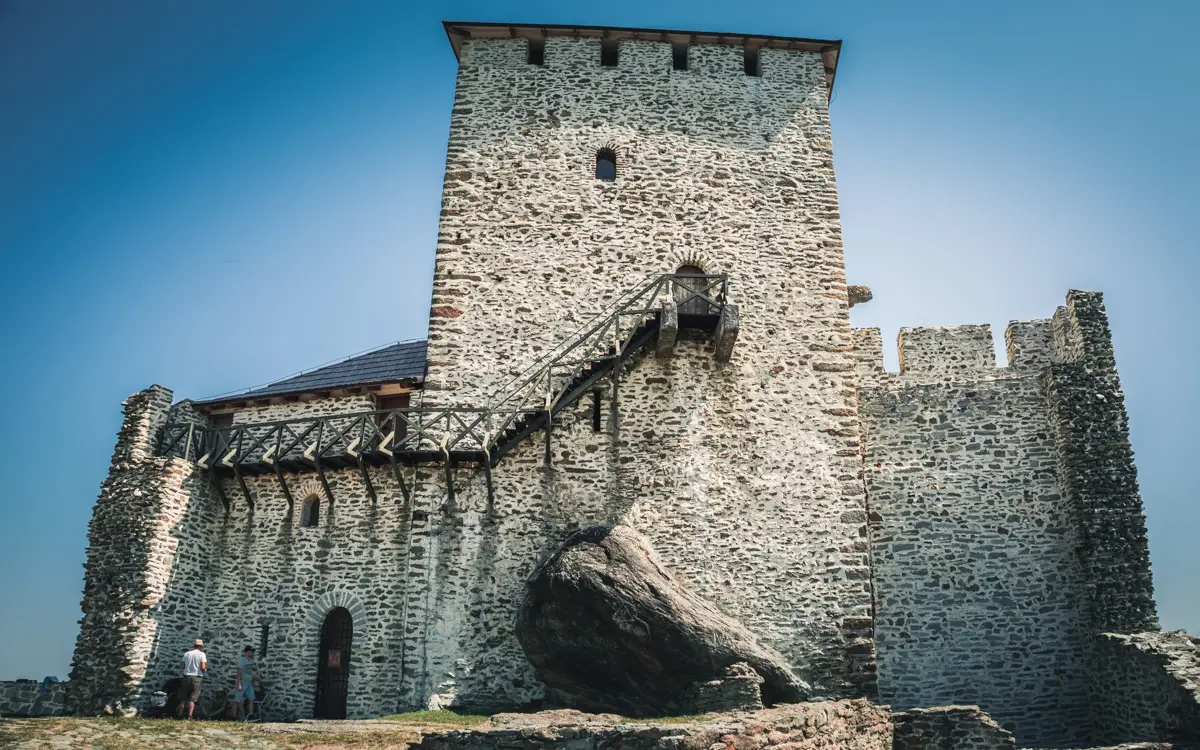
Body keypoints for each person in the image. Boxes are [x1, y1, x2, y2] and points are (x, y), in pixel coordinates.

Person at [176, 639, 207, 719]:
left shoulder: (187, 653)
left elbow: (182, 666)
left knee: (183, 698)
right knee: (192, 699)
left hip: (186, 677)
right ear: (201, 646)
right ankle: (189, 716)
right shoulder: (202, 654)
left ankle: (179, 715)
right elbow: (203, 667)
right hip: (196, 677)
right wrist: (204, 670)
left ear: (194, 646)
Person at [230, 645, 257, 721]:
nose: (251, 653)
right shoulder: (242, 660)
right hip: (242, 682)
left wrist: (252, 681)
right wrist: (238, 684)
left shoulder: (251, 661)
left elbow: (250, 672)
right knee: (237, 700)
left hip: (249, 683)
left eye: (252, 651)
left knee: (252, 698)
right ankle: (234, 717)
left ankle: (251, 715)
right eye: (250, 651)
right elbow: (238, 672)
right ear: (246, 652)